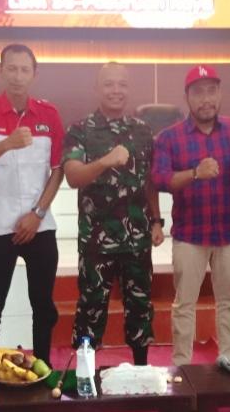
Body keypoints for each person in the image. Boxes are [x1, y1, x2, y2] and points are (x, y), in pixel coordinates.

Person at [0, 44, 63, 401]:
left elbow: (57, 170)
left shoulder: (49, 114)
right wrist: (5, 144)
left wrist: (37, 214)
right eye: (12, 69)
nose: (18, 76)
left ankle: (43, 369)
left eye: (25, 69)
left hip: (40, 225)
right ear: (1, 71)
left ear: (34, 74)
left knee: (43, 305)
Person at [63, 62, 164, 363]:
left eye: (122, 84)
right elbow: (73, 176)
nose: (116, 90)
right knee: (91, 307)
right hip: (96, 240)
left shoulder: (143, 130)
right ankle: (86, 376)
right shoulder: (80, 130)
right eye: (109, 84)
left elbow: (149, 182)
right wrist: (105, 161)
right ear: (97, 88)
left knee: (140, 307)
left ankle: (141, 369)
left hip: (137, 238)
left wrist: (157, 221)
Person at [153, 65, 230, 366]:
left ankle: (228, 359)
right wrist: (194, 173)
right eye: (198, 92)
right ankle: (182, 365)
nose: (206, 99)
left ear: (220, 94)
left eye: (211, 91)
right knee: (184, 303)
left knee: (229, 300)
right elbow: (160, 179)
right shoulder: (169, 137)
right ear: (187, 97)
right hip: (190, 235)